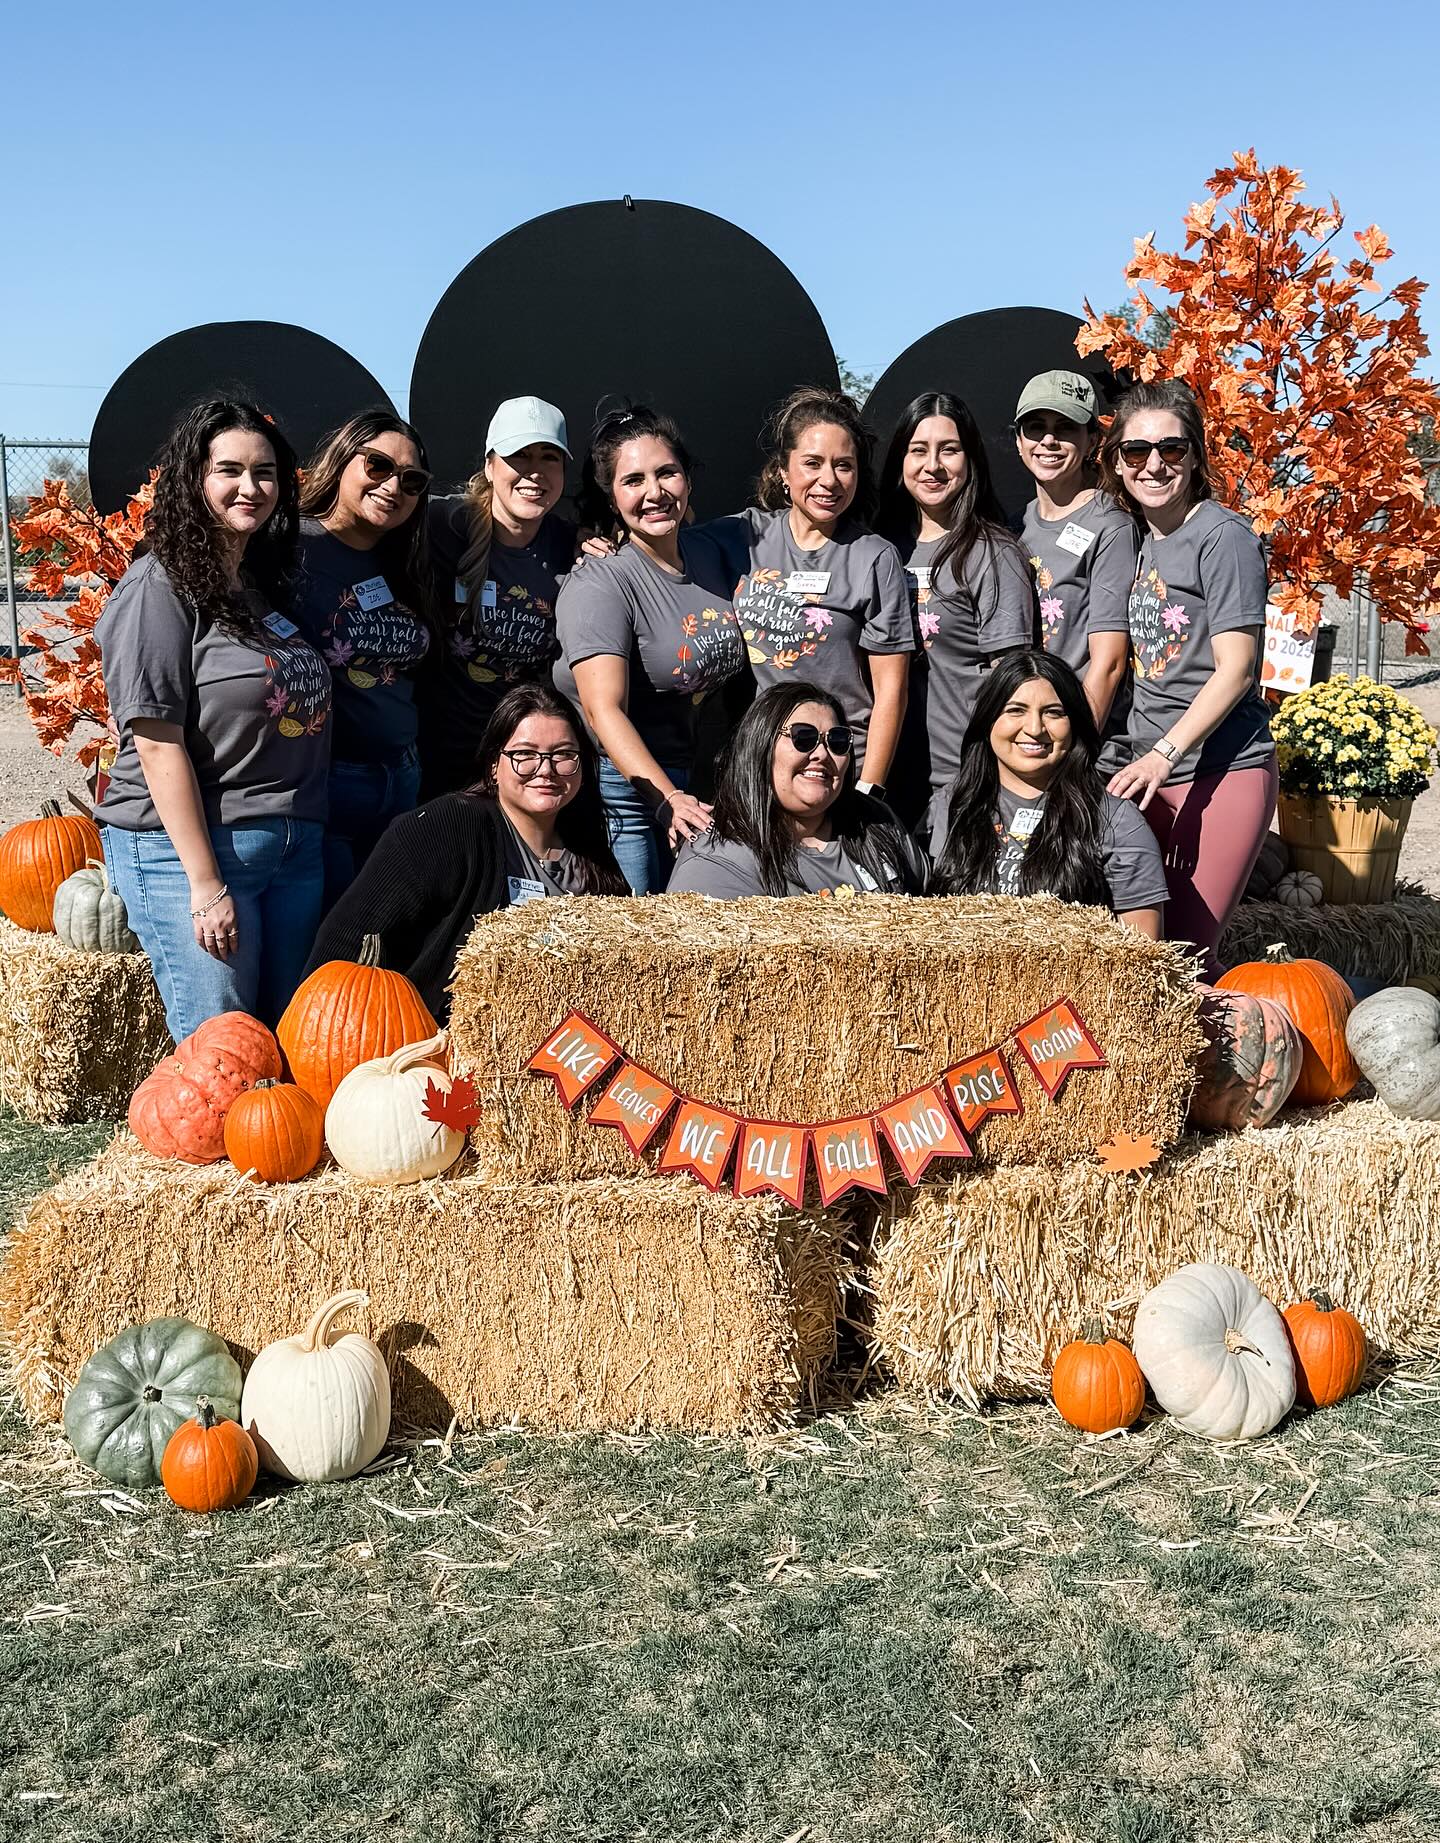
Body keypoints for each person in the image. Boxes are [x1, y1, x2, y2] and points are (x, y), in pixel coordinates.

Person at [95, 398, 331, 1039]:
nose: (249, 488)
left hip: (290, 849)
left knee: (288, 1045)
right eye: (229, 470)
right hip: (193, 856)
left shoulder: (256, 586)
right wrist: (205, 884)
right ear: (192, 479)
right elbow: (155, 742)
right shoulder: (158, 587)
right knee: (223, 1050)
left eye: (265, 473)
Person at [304, 683, 626, 1020]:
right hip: (440, 1047)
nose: (545, 769)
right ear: (492, 766)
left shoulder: (591, 856)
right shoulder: (447, 827)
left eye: (563, 754)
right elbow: (348, 936)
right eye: (525, 754)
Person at [1100, 378, 1277, 973]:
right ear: (1118, 462)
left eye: (1171, 450)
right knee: (1144, 951)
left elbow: (1237, 669)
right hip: (1149, 767)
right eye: (1136, 451)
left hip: (1219, 769)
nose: (1154, 464)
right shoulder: (1142, 539)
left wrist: (1164, 755)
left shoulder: (1222, 537)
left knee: (1188, 955)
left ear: (1195, 457)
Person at [555, 405, 747, 894]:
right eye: (633, 480)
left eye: (667, 473)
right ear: (612, 495)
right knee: (637, 940)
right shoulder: (601, 581)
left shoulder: (710, 551)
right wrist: (666, 800)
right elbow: (603, 710)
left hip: (695, 778)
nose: (654, 493)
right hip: (627, 794)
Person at [719, 388, 913, 802]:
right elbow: (661, 545)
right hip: (765, 768)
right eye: (812, 463)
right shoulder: (744, 536)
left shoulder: (874, 558)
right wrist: (596, 542)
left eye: (844, 466)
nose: (829, 480)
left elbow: (891, 690)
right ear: (783, 472)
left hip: (840, 767)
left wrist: (869, 789)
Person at [875, 391, 1038, 819]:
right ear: (899, 461)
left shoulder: (993, 552)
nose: (933, 466)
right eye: (918, 450)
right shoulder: (877, 547)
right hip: (877, 776)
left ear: (970, 461)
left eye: (949, 450)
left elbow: (1013, 680)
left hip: (961, 782)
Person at [927, 650, 1168, 936]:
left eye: (1054, 713)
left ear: (1074, 724)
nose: (1034, 729)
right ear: (988, 720)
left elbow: (1142, 954)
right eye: (1015, 710)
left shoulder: (1116, 822)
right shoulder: (947, 808)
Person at [294, 411, 434, 903]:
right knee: (332, 939)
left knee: (382, 930)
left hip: (401, 775)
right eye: (377, 465)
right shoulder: (290, 548)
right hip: (330, 782)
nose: (394, 486)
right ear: (341, 460)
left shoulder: (407, 558)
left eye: (412, 480)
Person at [421, 395, 577, 796]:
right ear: (490, 466)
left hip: (523, 767)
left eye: (549, 457)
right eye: (519, 456)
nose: (535, 472)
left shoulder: (569, 545)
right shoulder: (443, 525)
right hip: (440, 760)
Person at [668, 682, 927, 899]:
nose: (822, 754)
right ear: (760, 748)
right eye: (804, 738)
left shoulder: (875, 823)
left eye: (837, 741)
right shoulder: (718, 861)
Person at [1013, 370, 1137, 773]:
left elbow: (1110, 662)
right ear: (1019, 441)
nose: (1048, 440)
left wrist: (1073, 751)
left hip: (1080, 752)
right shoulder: (1017, 525)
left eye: (1064, 428)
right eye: (1036, 428)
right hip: (1025, 743)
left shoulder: (1110, 524)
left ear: (1092, 441)